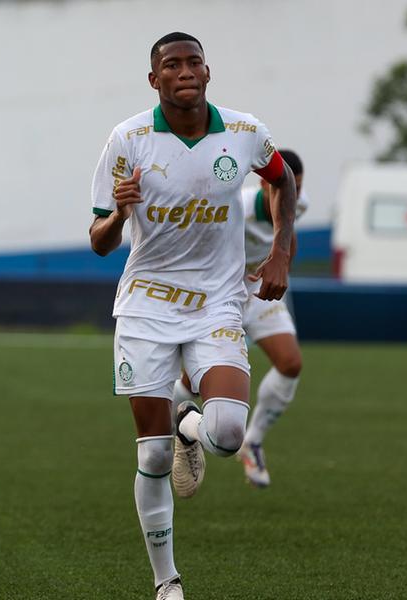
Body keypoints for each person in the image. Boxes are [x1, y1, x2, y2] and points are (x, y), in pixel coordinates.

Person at [88, 32, 297, 600]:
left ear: (208, 71)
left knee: (227, 433)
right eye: (171, 65)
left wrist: (281, 249)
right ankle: (167, 583)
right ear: (154, 80)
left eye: (193, 62)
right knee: (152, 453)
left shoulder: (245, 131)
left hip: (217, 302)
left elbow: (281, 178)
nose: (184, 71)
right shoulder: (127, 139)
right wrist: (120, 212)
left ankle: (191, 424)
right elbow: (100, 240)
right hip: (147, 306)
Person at [173, 149, 309, 488]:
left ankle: (254, 440)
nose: (294, 193)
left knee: (291, 363)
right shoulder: (238, 207)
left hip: (259, 291)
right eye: (286, 185)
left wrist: (283, 267)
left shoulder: (298, 203)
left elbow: (288, 235)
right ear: (265, 183)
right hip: (222, 294)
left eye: (299, 187)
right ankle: (173, 437)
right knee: (191, 385)